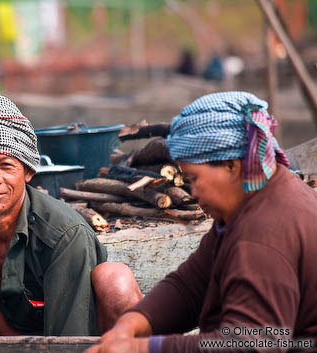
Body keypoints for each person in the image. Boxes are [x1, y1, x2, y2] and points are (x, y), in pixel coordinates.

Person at [85, 91, 317, 353]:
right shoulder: (248, 206)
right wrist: (131, 324)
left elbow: (250, 344)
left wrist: (142, 348)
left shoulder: (263, 233)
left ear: (231, 166)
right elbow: (191, 285)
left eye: (194, 178)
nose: (192, 193)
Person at [0, 94, 141, 336]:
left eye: (6, 166)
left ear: (28, 172)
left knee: (115, 280)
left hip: (87, 340)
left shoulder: (64, 234)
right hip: (18, 336)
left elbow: (71, 334)